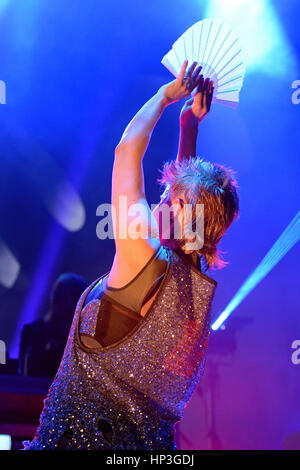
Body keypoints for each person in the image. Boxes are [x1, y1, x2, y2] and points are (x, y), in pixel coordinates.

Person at [23, 61, 239, 450]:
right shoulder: (193, 277)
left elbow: (126, 152)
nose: (159, 200)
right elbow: (190, 212)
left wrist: (164, 97)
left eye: (168, 197)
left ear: (179, 212)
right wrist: (188, 127)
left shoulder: (142, 251)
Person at [19, 273, 88, 378]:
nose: (66, 305)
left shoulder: (86, 339)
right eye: (62, 298)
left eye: (72, 299)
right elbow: (26, 374)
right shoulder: (32, 332)